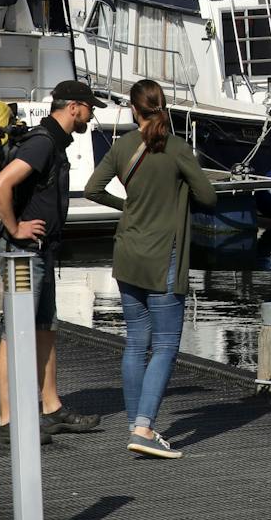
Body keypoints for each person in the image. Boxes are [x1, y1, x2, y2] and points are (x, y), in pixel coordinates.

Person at [84, 79, 217, 460]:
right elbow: (207, 196)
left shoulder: (122, 147)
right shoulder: (177, 148)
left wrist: (124, 207)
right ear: (164, 108)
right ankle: (144, 429)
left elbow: (93, 189)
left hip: (127, 253)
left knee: (136, 343)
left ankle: (134, 425)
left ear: (132, 110)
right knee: (164, 346)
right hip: (164, 257)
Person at [0, 79, 103, 443]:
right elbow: (0, 185)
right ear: (74, 108)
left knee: (45, 328)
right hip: (23, 253)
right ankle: (9, 420)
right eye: (89, 108)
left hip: (42, 251)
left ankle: (51, 408)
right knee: (14, 333)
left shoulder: (53, 141)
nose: (91, 114)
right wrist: (15, 228)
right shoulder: (42, 143)